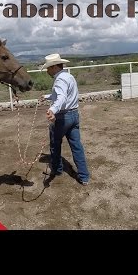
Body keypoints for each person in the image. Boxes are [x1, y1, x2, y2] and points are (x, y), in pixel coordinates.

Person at [39, 53, 90, 186]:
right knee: (76, 146)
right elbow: (61, 95)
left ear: (55, 66)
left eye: (48, 68)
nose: (47, 71)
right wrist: (47, 96)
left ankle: (57, 169)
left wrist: (52, 110)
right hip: (74, 115)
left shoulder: (60, 79)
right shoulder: (68, 76)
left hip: (62, 117)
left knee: (55, 145)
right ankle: (84, 177)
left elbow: (61, 98)